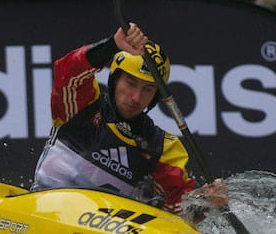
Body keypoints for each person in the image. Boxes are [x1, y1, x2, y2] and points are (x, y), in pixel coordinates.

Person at [32, 23, 226, 215]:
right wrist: (112, 44)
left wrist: (207, 201)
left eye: (147, 89)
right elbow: (67, 71)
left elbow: (179, 207)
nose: (136, 98)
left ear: (155, 96)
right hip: (45, 211)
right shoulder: (83, 104)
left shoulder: (162, 147)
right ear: (115, 80)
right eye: (131, 83)